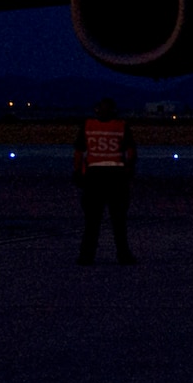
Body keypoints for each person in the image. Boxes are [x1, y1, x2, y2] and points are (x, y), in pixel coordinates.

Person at [74, 96, 137, 265]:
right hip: (116, 176)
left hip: (94, 176)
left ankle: (87, 256)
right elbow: (131, 151)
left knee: (92, 221)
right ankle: (123, 255)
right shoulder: (121, 126)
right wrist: (129, 169)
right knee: (118, 220)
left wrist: (78, 173)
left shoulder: (88, 126)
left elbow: (79, 152)